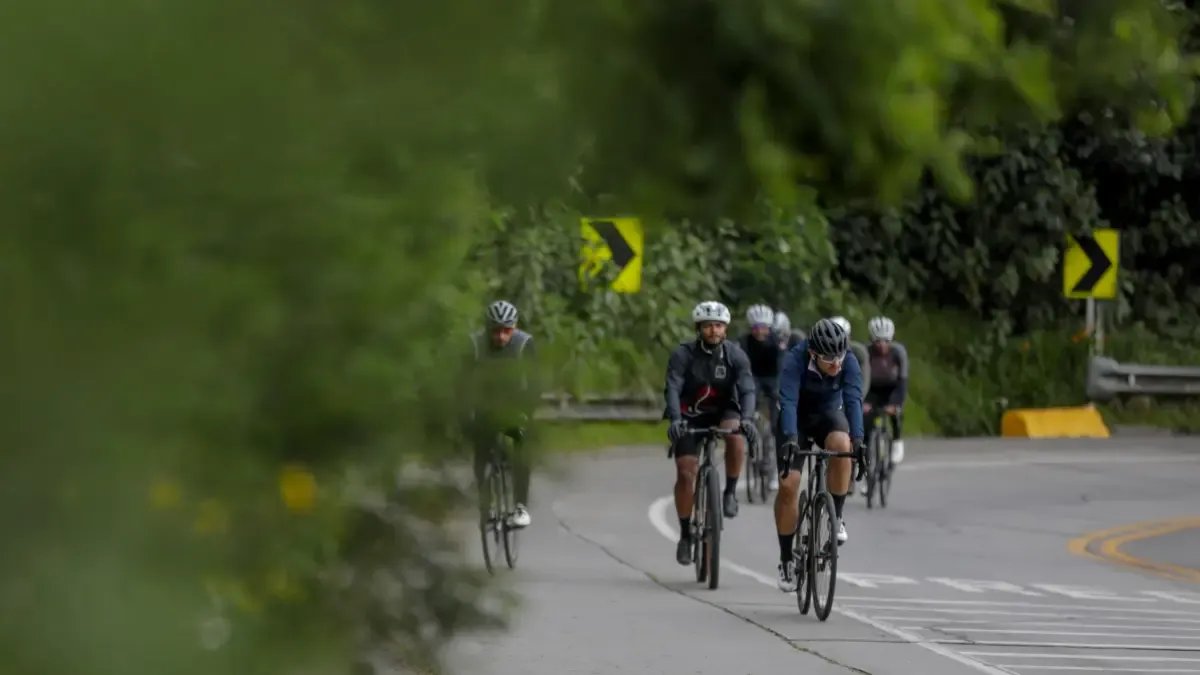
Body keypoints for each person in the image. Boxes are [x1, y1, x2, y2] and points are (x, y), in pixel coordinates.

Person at [663, 300, 758, 565]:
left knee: (735, 436)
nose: (713, 331)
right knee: (685, 472)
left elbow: (748, 389)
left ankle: (728, 493)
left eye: (718, 325)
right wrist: (675, 418)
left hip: (724, 411)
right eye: (708, 326)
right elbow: (672, 387)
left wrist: (748, 419)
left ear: (725, 329)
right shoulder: (683, 354)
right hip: (689, 414)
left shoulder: (735, 355)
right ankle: (685, 534)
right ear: (699, 328)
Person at [774, 318, 865, 592]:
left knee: (842, 443)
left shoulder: (848, 360)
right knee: (789, 484)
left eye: (839, 357)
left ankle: (836, 515)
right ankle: (787, 559)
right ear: (813, 353)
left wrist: (859, 440)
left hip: (828, 415)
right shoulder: (795, 360)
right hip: (796, 420)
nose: (836, 364)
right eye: (829, 359)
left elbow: (853, 400)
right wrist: (790, 438)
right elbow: (787, 401)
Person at [467, 300, 537, 529]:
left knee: (521, 445)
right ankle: (486, 508)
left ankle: (520, 506)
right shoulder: (475, 345)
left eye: (506, 330)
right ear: (487, 329)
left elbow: (535, 385)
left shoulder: (524, 344)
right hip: (485, 406)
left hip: (514, 405)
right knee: (481, 455)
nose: (500, 336)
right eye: (495, 331)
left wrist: (526, 412)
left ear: (514, 327)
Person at [739, 304, 783, 492]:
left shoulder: (776, 343)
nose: (760, 332)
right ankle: (752, 430)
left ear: (769, 328)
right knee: (749, 401)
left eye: (763, 328)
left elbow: (783, 368)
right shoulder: (743, 342)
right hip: (753, 377)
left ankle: (773, 471)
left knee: (775, 425)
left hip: (773, 379)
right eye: (756, 328)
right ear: (751, 328)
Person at [865, 315, 909, 464]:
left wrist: (895, 404)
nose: (882, 345)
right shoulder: (866, 352)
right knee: (864, 418)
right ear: (871, 339)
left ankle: (897, 441)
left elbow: (903, 382)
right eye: (878, 341)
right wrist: (863, 402)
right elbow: (860, 380)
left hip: (892, 389)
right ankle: (865, 448)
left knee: (896, 413)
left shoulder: (898, 352)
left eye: (886, 341)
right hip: (872, 388)